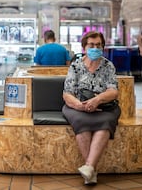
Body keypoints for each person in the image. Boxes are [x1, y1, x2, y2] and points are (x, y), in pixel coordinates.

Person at [62, 31, 120, 185]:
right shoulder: (75, 66)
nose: (95, 48)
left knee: (105, 123)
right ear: (84, 47)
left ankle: (89, 168)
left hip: (104, 107)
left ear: (103, 47)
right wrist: (79, 106)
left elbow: (113, 91)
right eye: (91, 45)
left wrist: (97, 100)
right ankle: (91, 171)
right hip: (77, 106)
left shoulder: (108, 66)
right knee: (82, 122)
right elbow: (67, 93)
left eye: (98, 45)